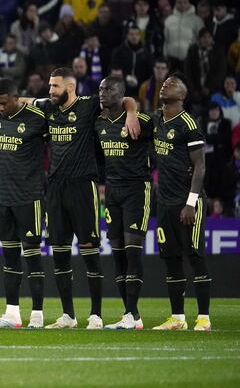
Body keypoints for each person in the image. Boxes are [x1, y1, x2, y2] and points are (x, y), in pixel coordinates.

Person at [0, 67, 140, 329]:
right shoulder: (48, 107)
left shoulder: (89, 105)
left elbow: (125, 100)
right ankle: (68, 315)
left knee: (90, 250)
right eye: (49, 86)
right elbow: (16, 100)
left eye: (55, 86)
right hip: (54, 187)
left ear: (70, 87)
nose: (50, 90)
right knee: (60, 253)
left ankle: (96, 315)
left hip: (83, 185)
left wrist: (132, 113)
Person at [0, 78, 48, 329]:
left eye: (2, 103)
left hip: (29, 196)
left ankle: (38, 313)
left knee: (32, 256)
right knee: (10, 257)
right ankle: (12, 313)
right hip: (4, 196)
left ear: (16, 98)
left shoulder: (36, 117)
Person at [151, 74, 211, 331]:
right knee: (171, 258)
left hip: (188, 202)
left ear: (183, 95)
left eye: (173, 83)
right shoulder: (156, 119)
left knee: (195, 256)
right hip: (165, 202)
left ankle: (204, 318)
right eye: (165, 83)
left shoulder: (188, 124)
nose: (166, 84)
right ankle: (177, 318)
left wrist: (191, 203)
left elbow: (200, 166)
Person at [95, 76, 154, 330]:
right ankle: (131, 315)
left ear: (121, 94)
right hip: (112, 191)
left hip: (136, 189)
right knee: (117, 252)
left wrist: (132, 110)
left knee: (132, 250)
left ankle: (131, 313)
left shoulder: (141, 121)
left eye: (108, 89)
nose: (102, 93)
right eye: (100, 89)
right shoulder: (98, 121)